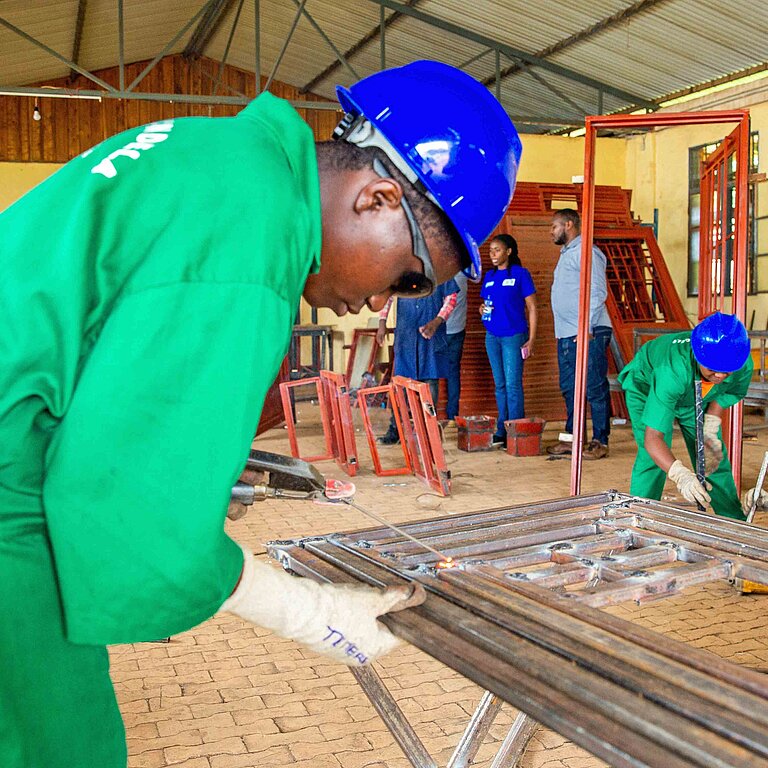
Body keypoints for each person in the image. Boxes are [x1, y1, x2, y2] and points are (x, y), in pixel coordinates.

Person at [0, 60, 522, 768]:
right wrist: (307, 611)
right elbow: (129, 518)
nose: (378, 304)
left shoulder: (223, 161)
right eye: (407, 277)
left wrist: (194, 453)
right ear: (375, 199)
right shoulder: (250, 244)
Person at [618, 313, 753, 520]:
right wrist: (680, 475)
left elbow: (730, 391)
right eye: (713, 369)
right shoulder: (672, 370)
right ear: (699, 356)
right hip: (646, 389)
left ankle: (734, 520)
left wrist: (711, 421)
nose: (720, 376)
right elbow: (653, 438)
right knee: (652, 457)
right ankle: (639, 518)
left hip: (694, 395)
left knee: (711, 454)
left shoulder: (738, 359)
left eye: (727, 371)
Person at [547, 208, 612, 460]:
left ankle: (599, 440)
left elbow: (597, 292)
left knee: (594, 386)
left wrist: (586, 328)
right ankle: (572, 438)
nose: (552, 231)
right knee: (569, 388)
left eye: (555, 226)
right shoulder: (568, 254)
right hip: (567, 333)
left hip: (588, 331)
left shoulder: (587, 253)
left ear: (569, 225)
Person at [376, 279, 459, 444]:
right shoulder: (402, 268)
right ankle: (396, 430)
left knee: (430, 384)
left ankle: (428, 432)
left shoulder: (440, 269)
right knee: (400, 384)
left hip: (430, 334)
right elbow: (387, 295)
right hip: (407, 334)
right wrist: (382, 323)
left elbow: (451, 297)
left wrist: (437, 320)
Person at [480, 234, 537, 447]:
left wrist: (531, 339)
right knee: (500, 385)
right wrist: (481, 309)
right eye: (491, 250)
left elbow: (532, 307)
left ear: (508, 251)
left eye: (497, 250)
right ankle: (502, 430)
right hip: (492, 336)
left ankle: (515, 430)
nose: (493, 254)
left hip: (513, 336)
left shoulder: (521, 275)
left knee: (513, 385)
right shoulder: (489, 276)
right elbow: (486, 304)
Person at [445, 271, 469, 422]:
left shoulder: (439, 272)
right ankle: (452, 416)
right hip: (457, 328)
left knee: (429, 376)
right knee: (453, 373)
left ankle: (426, 419)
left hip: (436, 330)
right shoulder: (464, 269)